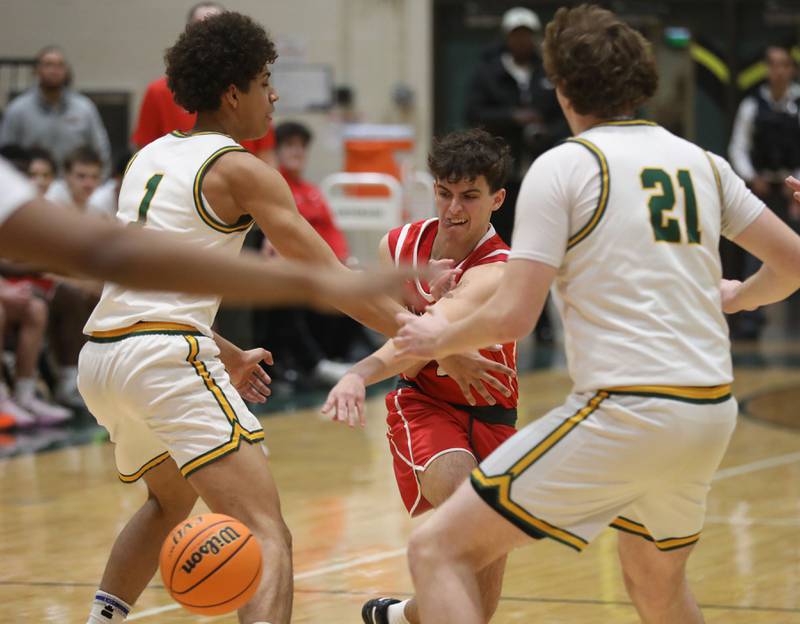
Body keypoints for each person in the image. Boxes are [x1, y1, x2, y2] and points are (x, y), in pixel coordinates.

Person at [76, 13, 499, 624]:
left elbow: (148, 286)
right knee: (265, 533)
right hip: (163, 359)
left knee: (169, 503)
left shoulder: (148, 158)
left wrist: (224, 349)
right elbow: (328, 280)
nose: (274, 96)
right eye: (265, 81)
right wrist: (437, 345)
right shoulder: (240, 169)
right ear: (232, 93)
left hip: (105, 357)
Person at [394, 5, 800, 623]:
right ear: (642, 80)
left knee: (435, 549)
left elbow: (512, 316)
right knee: (655, 585)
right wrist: (739, 295)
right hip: (710, 413)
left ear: (562, 86)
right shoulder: (703, 162)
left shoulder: (566, 165)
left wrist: (438, 333)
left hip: (628, 410)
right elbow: (793, 264)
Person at [322, 128, 518, 624]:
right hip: (426, 404)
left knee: (481, 598)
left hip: (495, 414)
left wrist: (435, 333)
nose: (454, 208)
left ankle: (402, 615)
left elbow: (426, 333)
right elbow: (403, 345)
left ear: (497, 198)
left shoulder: (498, 269)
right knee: (468, 506)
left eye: (469, 196)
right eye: (444, 192)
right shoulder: (402, 246)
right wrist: (362, 374)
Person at [465, 6, 567, 246]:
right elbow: (474, 112)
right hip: (501, 165)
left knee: (539, 226)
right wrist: (512, 117)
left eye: (526, 34)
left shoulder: (547, 72)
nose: (522, 40)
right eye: (516, 34)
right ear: (506, 36)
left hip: (541, 163)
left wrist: (546, 131)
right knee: (501, 224)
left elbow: (564, 115)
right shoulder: (488, 72)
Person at [131, 2, 276, 164]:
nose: (210, 37)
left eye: (217, 28)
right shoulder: (157, 92)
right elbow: (143, 152)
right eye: (202, 28)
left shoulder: (252, 92)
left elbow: (266, 155)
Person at [728, 43, 800, 338]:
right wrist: (750, 177)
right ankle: (750, 321)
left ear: (792, 69)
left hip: (793, 190)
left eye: (784, 64)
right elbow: (738, 147)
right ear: (766, 69)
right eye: (773, 64)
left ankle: (795, 322)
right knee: (755, 254)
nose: (778, 70)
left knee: (796, 255)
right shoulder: (751, 105)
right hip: (761, 189)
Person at [0, 46, 111, 172]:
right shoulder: (17, 110)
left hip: (75, 186)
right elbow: (5, 156)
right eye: (48, 65)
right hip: (32, 185)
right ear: (36, 70)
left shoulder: (84, 108)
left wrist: (99, 183)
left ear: (66, 71)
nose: (54, 70)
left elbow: (101, 150)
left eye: (60, 65)